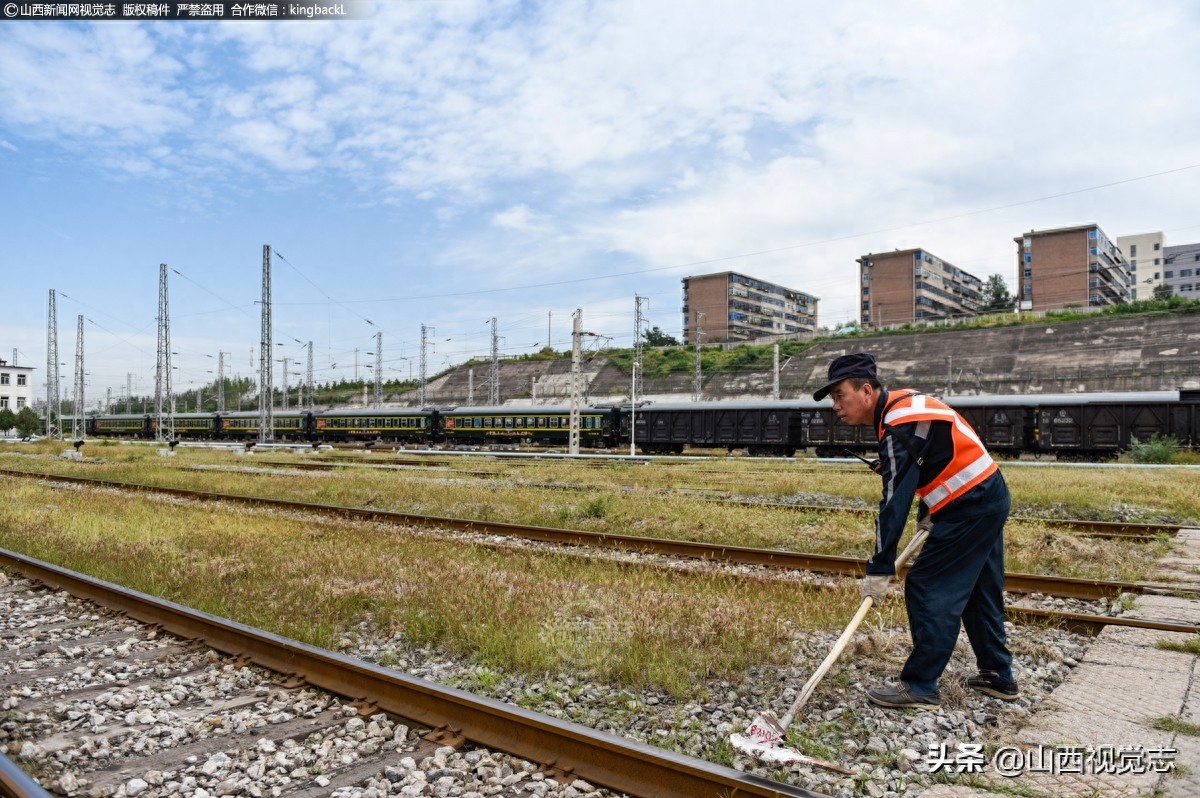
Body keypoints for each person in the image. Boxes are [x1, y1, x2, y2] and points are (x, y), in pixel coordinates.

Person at [812, 352, 1018, 709]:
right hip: (987, 493)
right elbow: (937, 454)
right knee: (979, 588)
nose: (836, 406)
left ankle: (920, 685)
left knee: (928, 585)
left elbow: (893, 503)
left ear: (865, 390)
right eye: (832, 399)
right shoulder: (904, 406)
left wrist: (879, 568)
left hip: (969, 503)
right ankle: (998, 676)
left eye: (839, 395)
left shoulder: (897, 425)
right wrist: (929, 507)